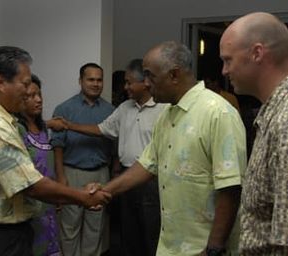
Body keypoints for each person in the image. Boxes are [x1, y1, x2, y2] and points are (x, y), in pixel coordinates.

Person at [89, 41, 247, 256]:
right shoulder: (166, 115)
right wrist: (106, 190)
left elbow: (230, 188)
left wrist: (214, 249)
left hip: (201, 248)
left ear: (174, 75)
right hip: (170, 246)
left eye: (150, 76)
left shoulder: (218, 113)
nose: (146, 83)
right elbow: (147, 163)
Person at [0, 46, 111, 256]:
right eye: (25, 84)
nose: (30, 92)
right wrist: (82, 197)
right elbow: (30, 185)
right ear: (1, 83)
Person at [63, 59, 166, 256]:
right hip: (126, 178)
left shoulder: (164, 109)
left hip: (152, 180)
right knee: (128, 232)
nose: (125, 86)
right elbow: (102, 129)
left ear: (145, 82)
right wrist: (69, 125)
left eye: (129, 82)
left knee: (151, 232)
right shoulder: (124, 108)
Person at [220, 12, 288, 255]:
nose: (224, 71)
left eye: (228, 60)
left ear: (257, 53)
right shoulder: (272, 113)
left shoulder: (284, 122)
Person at [51, 63, 115, 256]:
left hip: (101, 173)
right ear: (80, 81)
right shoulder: (64, 109)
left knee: (95, 227)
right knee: (70, 225)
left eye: (99, 80)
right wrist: (61, 178)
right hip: (72, 173)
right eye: (91, 79)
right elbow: (57, 146)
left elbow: (115, 146)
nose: (95, 84)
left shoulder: (111, 110)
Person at [16, 74, 61, 256]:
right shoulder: (17, 130)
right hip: (29, 205)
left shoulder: (42, 127)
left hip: (48, 203)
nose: (39, 100)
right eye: (31, 96)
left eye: (39, 94)